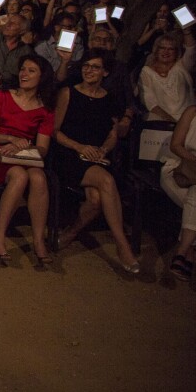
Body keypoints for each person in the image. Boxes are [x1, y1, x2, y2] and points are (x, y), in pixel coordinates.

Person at [51, 51, 141, 273]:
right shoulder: (68, 93)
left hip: (96, 156)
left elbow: (113, 133)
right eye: (86, 66)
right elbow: (55, 132)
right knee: (107, 182)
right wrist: (80, 148)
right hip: (69, 153)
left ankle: (71, 232)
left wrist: (102, 150)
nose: (89, 70)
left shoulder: (110, 99)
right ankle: (122, 245)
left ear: (105, 72)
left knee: (97, 199)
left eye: (95, 67)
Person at [0, 55, 57, 266]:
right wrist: (10, 139)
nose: (24, 74)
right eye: (23, 69)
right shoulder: (3, 96)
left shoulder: (45, 109)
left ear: (42, 77)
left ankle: (38, 240)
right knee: (19, 176)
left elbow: (42, 148)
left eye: (31, 71)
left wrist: (25, 147)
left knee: (39, 178)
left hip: (24, 154)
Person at [159, 74, 196, 281]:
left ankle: (181, 252)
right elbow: (176, 145)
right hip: (179, 169)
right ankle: (188, 252)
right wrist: (193, 160)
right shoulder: (191, 112)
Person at [140, 31, 196, 123]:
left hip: (189, 121)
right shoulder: (146, 72)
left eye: (171, 49)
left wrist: (187, 31)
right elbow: (150, 102)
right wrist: (171, 122)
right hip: (161, 122)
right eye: (162, 48)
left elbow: (191, 49)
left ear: (176, 51)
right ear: (156, 50)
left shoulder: (182, 66)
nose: (166, 52)